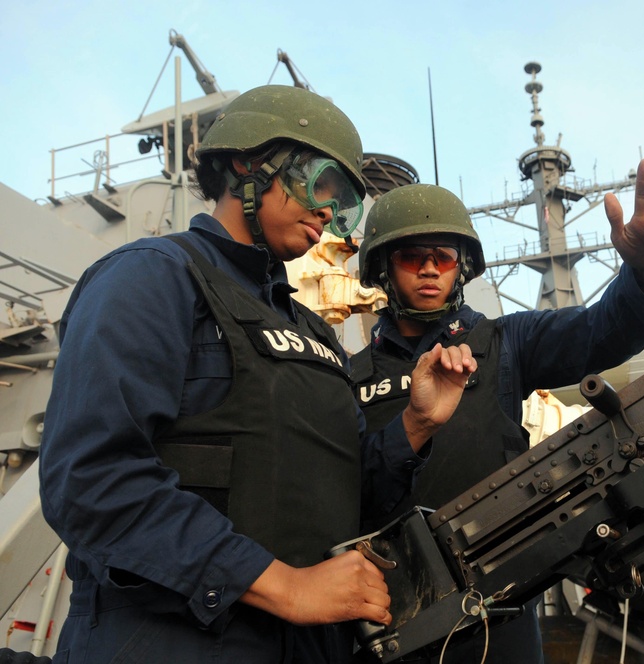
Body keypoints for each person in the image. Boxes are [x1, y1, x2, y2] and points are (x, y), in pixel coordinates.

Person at [38, 85, 476, 664]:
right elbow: (92, 478)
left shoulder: (314, 333)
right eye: (320, 183)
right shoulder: (154, 278)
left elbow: (339, 495)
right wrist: (286, 587)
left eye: (345, 202)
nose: (328, 212)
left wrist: (416, 424)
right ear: (246, 163)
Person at [350, 158, 644, 663]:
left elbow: (602, 329)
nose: (430, 268)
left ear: (462, 269)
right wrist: (414, 426)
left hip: (498, 616)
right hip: (390, 622)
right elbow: (346, 494)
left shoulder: (505, 344)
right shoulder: (347, 376)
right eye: (412, 257)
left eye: (444, 257)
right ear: (383, 268)